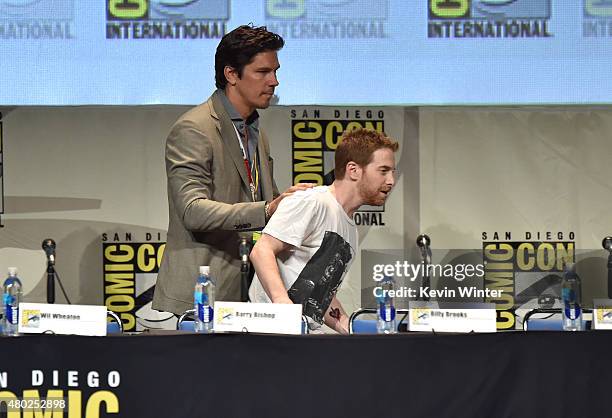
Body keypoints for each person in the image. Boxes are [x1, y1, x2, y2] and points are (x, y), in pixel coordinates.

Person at [153, 25, 311, 315]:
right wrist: (265, 210)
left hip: (248, 293)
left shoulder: (255, 131)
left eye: (275, 71)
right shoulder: (194, 128)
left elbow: (266, 201)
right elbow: (192, 210)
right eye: (262, 72)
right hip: (199, 297)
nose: (274, 81)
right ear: (231, 74)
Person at [248, 128, 399, 334]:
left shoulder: (349, 230)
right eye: (383, 171)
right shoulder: (312, 201)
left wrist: (348, 327)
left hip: (305, 336)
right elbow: (262, 250)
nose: (391, 180)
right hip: (270, 333)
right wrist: (282, 305)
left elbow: (319, 293)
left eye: (392, 172)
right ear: (353, 170)